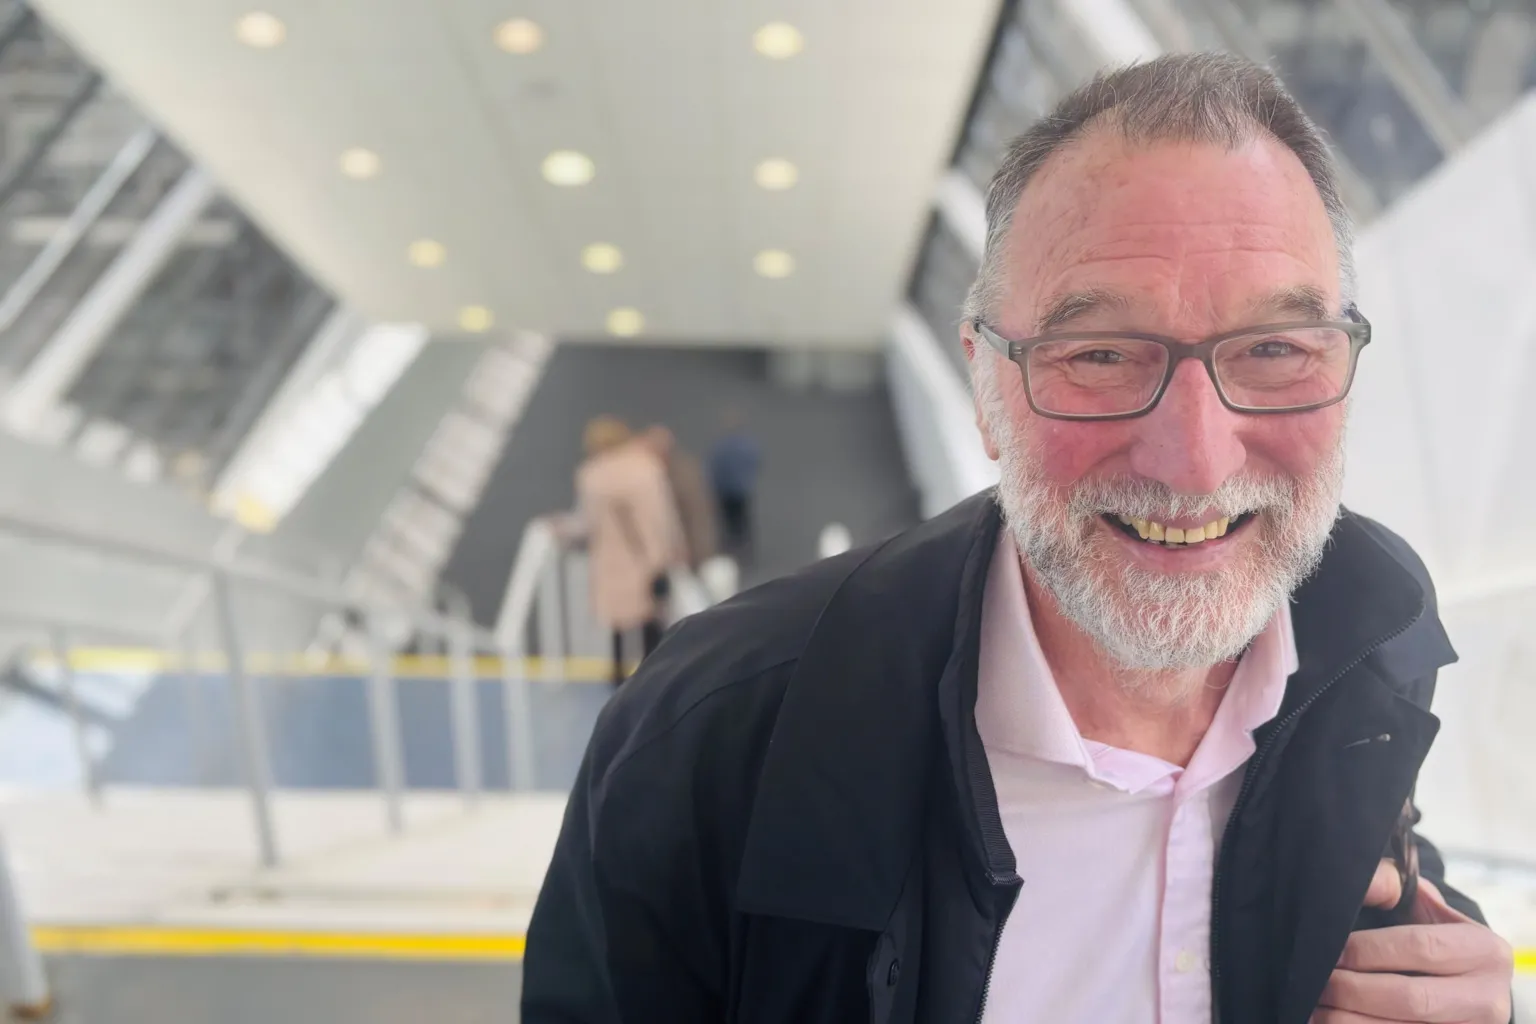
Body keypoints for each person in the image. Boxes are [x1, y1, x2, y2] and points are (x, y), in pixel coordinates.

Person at [524, 54, 1514, 1023]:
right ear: (985, 391)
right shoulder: (720, 735)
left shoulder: (1372, 632)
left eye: (1274, 349)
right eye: (1100, 355)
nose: (1196, 462)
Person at [572, 416, 682, 686]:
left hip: (610, 558)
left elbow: (587, 523)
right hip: (646, 555)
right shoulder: (645, 470)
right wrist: (672, 550)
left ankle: (618, 677)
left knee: (618, 624)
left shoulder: (591, 475)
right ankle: (652, 675)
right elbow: (661, 517)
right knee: (651, 618)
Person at [641, 426, 717, 572]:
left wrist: (699, 552)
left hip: (681, 547)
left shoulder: (682, 476)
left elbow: (696, 517)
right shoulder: (676, 470)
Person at [707, 411, 761, 559]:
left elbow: (715, 467)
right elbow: (755, 462)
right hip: (741, 489)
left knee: (729, 521)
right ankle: (745, 547)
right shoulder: (747, 446)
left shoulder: (722, 446)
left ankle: (731, 548)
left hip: (726, 490)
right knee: (742, 521)